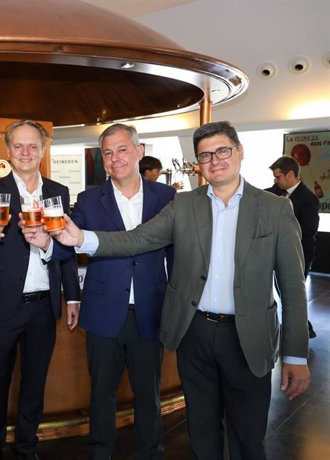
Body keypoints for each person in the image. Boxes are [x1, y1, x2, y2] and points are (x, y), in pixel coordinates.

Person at [51, 121, 311, 459]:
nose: (214, 160)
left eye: (222, 151)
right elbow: (138, 238)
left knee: (248, 434)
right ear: (198, 163)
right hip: (195, 334)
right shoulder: (183, 204)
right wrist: (82, 238)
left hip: (249, 336)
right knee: (201, 431)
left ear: (240, 152)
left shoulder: (275, 208)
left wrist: (295, 353)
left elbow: (292, 286)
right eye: (205, 155)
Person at [0, 119, 81, 460]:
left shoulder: (58, 193)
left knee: (35, 383)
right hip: (4, 305)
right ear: (8, 150)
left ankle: (26, 446)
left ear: (43, 150)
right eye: (18, 146)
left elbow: (66, 252)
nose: (25, 152)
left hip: (43, 306)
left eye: (32, 146)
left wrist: (72, 294)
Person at [68, 124, 176, 459]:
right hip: (102, 313)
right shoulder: (88, 199)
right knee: (102, 393)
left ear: (139, 151)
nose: (115, 158)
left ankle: (150, 452)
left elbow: (177, 254)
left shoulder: (166, 197)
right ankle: (101, 452)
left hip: (150, 309)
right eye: (108, 152)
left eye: (122, 149)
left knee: (148, 393)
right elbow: (66, 249)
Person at [267, 156, 320, 338]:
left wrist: (284, 230)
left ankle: (300, 330)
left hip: (300, 254)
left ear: (290, 174)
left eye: (278, 177)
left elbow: (310, 229)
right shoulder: (275, 191)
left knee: (292, 293)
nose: (275, 181)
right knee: (283, 292)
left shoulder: (309, 199)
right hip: (276, 252)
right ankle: (301, 327)